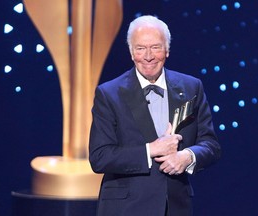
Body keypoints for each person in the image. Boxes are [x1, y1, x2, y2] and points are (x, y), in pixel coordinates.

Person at [89, 15, 221, 216]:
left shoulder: (191, 87)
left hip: (176, 206)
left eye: (156, 47)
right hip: (126, 208)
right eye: (141, 48)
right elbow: (100, 157)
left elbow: (211, 145)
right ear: (132, 53)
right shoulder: (109, 94)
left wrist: (187, 156)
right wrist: (150, 150)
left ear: (167, 50)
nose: (148, 56)